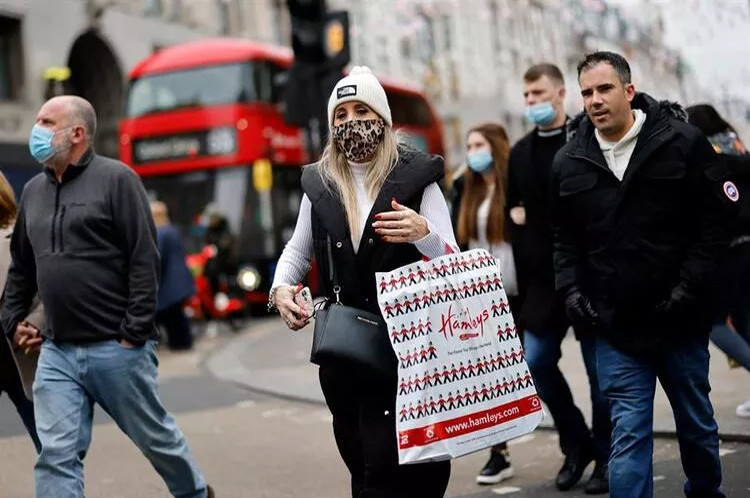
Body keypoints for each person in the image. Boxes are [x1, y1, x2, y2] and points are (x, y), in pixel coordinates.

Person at [0, 95, 214, 498]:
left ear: (77, 133)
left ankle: (195, 493)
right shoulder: (32, 192)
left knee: (157, 441)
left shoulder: (118, 180)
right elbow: (22, 266)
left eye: (47, 122)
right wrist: (12, 321)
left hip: (116, 350)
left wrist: (134, 333)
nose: (37, 129)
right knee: (55, 454)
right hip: (57, 351)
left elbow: (143, 259)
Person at [270, 66, 458, 498]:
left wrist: (423, 234)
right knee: (363, 462)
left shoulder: (418, 179)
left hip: (411, 349)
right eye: (341, 114)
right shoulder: (319, 183)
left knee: (413, 470)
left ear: (383, 119)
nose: (351, 122)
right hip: (347, 351)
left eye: (361, 110)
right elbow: (297, 252)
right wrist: (280, 290)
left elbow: (455, 264)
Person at [551, 51, 732, 498]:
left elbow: (716, 225)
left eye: (604, 89)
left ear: (629, 91)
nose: (594, 100)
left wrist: (688, 287)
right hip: (615, 328)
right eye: (587, 92)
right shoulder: (569, 162)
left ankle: (706, 491)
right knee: (627, 433)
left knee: (695, 425)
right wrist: (573, 293)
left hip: (680, 322)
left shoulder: (682, 143)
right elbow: (564, 243)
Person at [506, 63, 611, 494]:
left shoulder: (587, 138)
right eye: (526, 95)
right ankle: (577, 443)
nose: (531, 101)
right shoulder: (519, 153)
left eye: (538, 93)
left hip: (588, 278)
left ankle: (606, 456)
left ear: (561, 93)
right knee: (534, 361)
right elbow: (515, 219)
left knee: (601, 377)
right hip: (541, 284)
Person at [450, 122, 518, 485]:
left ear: (495, 146)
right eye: (469, 145)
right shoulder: (466, 187)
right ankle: (499, 453)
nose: (473, 151)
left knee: (529, 368)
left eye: (478, 144)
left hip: (516, 295)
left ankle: (578, 442)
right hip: (480, 299)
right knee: (491, 378)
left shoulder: (514, 184)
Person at [687, 103, 750, 418]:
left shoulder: (707, 158)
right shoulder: (738, 149)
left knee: (712, 322)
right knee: (744, 320)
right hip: (748, 248)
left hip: (724, 255)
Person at [0, 170, 42, 454]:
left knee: (50, 443)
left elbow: (47, 288)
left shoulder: (22, 234)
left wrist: (35, 324)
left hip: (20, 352)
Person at [152, 201, 196, 350]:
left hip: (168, 284)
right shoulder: (172, 229)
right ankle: (182, 342)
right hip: (179, 281)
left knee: (167, 314)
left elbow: (158, 257)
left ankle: (180, 343)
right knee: (175, 314)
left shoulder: (160, 233)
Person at [203, 209, 236, 296]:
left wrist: (217, 248)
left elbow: (227, 241)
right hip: (212, 263)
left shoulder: (225, 229)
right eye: (211, 218)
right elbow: (205, 242)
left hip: (225, 262)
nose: (212, 220)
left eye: (214, 218)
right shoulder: (209, 230)